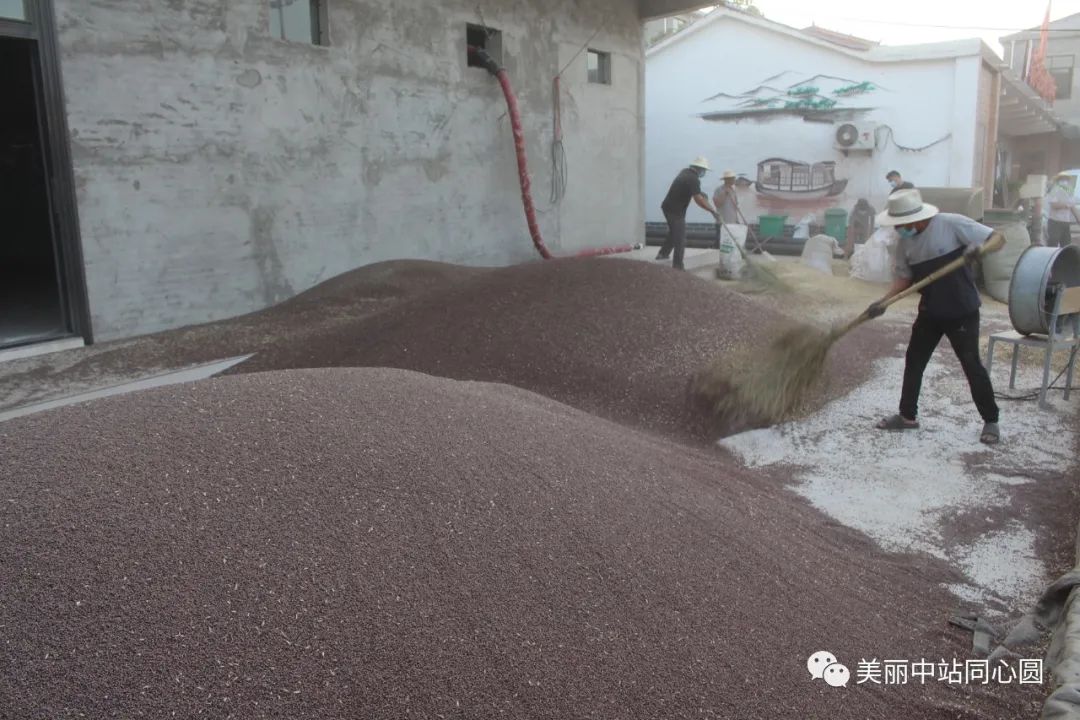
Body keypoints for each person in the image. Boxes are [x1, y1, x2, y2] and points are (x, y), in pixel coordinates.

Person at [866, 189, 1001, 445]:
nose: (899, 230)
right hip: (931, 310)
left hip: (962, 310)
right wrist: (883, 302)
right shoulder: (904, 243)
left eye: (902, 225)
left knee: (971, 365)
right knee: (914, 360)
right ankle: (907, 417)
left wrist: (979, 251)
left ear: (917, 218)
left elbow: (998, 238)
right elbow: (904, 279)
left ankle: (991, 420)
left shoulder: (950, 224)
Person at [657, 157, 719, 270]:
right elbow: (698, 199)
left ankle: (663, 254)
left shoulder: (685, 172)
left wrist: (701, 194)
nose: (704, 172)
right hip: (675, 211)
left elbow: (695, 192)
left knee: (674, 232)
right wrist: (711, 210)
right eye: (703, 170)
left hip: (668, 207)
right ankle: (678, 266)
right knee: (680, 238)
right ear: (699, 169)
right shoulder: (693, 179)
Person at [1046, 173, 1078, 247]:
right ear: (1058, 180)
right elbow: (1054, 205)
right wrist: (1066, 204)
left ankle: (1065, 258)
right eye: (1062, 179)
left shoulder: (1070, 191)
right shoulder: (1054, 190)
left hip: (1065, 222)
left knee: (1066, 245)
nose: (1064, 181)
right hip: (1055, 221)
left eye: (1066, 179)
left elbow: (1072, 207)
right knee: (1053, 243)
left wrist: (1078, 219)